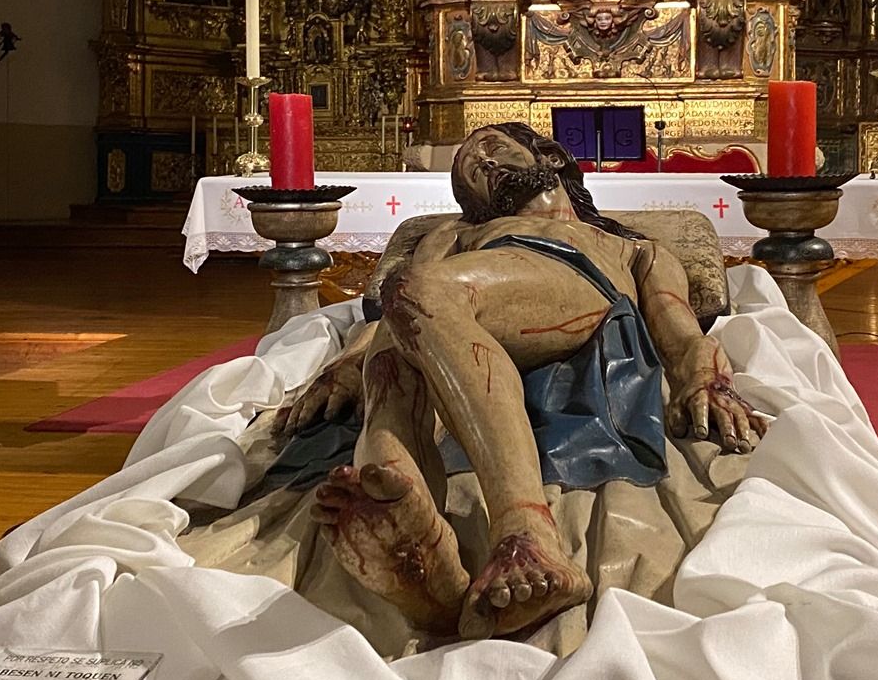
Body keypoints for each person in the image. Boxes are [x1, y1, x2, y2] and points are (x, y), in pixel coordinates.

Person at [277, 123, 763, 639]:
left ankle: (526, 530)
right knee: (393, 358)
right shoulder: (452, 236)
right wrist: (348, 363)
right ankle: (412, 540)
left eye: (489, 149)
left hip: (570, 283)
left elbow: (680, 328)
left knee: (421, 296)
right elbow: (392, 317)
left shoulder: (631, 248)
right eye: (468, 172)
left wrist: (707, 379)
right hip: (447, 310)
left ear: (548, 155)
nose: (480, 164)